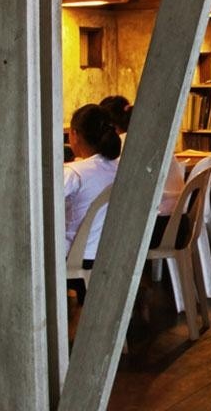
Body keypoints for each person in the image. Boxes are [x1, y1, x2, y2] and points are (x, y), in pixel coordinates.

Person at [64, 103, 120, 304]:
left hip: (81, 258)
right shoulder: (120, 166)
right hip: (115, 253)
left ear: (74, 134)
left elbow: (43, 204)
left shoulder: (74, 172)